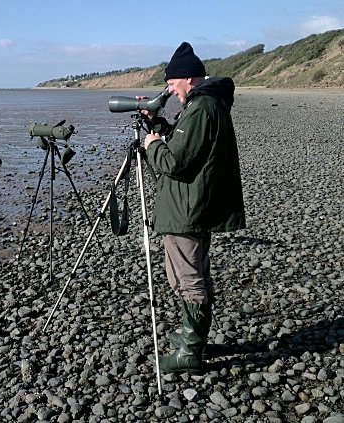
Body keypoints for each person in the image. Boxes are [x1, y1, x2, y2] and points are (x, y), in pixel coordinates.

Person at [142, 41, 246, 374]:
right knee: (193, 274)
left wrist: (151, 146)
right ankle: (194, 335)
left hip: (187, 208)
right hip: (194, 203)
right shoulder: (206, 104)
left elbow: (175, 162)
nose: (169, 88)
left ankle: (191, 350)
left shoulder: (202, 108)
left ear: (188, 78)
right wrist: (157, 127)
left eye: (172, 81)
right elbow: (187, 146)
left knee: (188, 279)